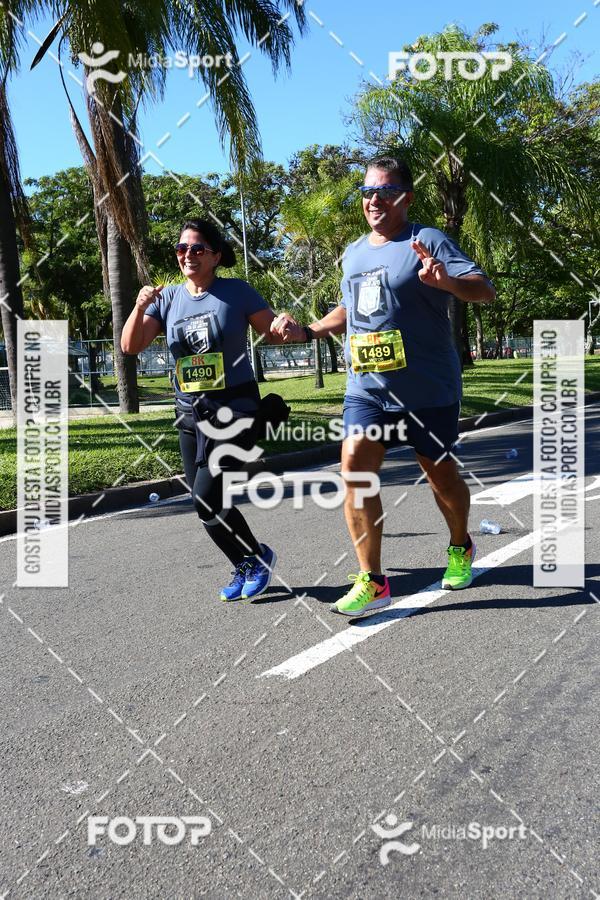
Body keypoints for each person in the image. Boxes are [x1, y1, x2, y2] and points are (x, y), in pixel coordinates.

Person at [271, 156, 496, 617]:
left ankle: (460, 545)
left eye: (385, 191)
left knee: (440, 474)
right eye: (367, 192)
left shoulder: (425, 240)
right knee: (353, 466)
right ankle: (372, 579)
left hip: (427, 387)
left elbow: (483, 289)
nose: (374, 200)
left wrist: (448, 281)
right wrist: (309, 332)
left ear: (405, 198)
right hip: (367, 388)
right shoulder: (354, 252)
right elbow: (348, 311)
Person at [121, 218, 287, 603]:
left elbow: (273, 331)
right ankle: (249, 559)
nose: (188, 255)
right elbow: (132, 346)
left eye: (197, 249)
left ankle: (258, 557)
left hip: (234, 407)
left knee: (204, 495)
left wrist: (287, 324)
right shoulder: (167, 299)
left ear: (215, 255)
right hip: (189, 411)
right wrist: (140, 305)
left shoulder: (238, 292)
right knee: (208, 501)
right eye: (182, 249)